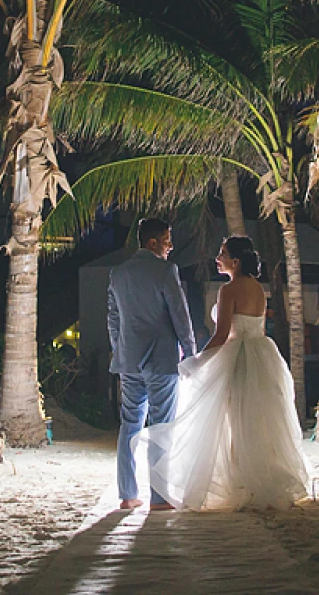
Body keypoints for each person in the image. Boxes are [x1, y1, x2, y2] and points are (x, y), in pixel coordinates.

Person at [142, 236, 311, 511]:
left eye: (222, 254)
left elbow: (222, 335)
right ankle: (259, 481)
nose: (217, 258)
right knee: (258, 422)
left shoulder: (229, 290)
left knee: (235, 421)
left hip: (239, 358)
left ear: (236, 261)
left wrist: (198, 361)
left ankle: (241, 482)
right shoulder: (257, 287)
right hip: (262, 355)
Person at [107, 218, 196, 511]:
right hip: (161, 360)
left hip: (129, 360)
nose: (171, 245)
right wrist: (190, 353)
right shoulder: (165, 270)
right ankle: (158, 497)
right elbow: (180, 314)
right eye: (168, 239)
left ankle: (127, 494)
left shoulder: (118, 273)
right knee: (162, 426)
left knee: (130, 426)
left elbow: (113, 319)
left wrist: (120, 350)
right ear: (153, 242)